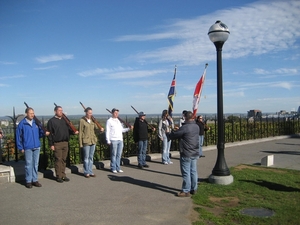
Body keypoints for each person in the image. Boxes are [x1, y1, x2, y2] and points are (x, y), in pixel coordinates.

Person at [166, 111, 199, 197]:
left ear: (185, 117)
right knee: (193, 171)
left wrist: (168, 133)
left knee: (186, 172)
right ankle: (194, 188)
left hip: (186, 152)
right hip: (194, 152)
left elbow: (174, 135)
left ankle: (186, 190)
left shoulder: (185, 127)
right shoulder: (196, 126)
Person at [16, 107, 49, 188]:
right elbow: (18, 137)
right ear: (26, 114)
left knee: (35, 164)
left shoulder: (36, 123)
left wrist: (44, 133)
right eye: (30, 113)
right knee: (28, 164)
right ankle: (28, 180)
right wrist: (20, 147)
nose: (32, 115)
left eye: (33, 113)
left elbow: (40, 134)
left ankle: (35, 180)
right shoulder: (22, 124)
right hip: (27, 147)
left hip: (36, 146)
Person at [47, 106, 78, 183]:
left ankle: (63, 175)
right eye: (59, 110)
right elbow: (49, 134)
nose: (61, 112)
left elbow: (69, 130)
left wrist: (74, 132)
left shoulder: (65, 120)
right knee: (58, 160)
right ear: (55, 111)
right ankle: (58, 176)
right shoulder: (51, 121)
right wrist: (51, 144)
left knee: (64, 160)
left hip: (65, 142)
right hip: (57, 143)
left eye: (62, 110)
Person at [79, 107, 103, 178]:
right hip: (86, 141)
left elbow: (96, 129)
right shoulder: (82, 120)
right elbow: (80, 132)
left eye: (91, 113)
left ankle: (90, 171)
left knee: (91, 157)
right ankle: (86, 172)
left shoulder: (93, 120)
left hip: (93, 140)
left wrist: (100, 129)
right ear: (86, 113)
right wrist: (80, 143)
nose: (90, 114)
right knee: (86, 158)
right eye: (89, 113)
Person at [106, 108, 132, 173]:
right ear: (112, 113)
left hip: (120, 139)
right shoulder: (109, 121)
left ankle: (118, 167)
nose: (117, 114)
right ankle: (113, 167)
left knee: (119, 154)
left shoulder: (118, 121)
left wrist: (128, 129)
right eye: (115, 113)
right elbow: (107, 131)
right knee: (113, 154)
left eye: (117, 113)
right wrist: (108, 140)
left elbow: (122, 130)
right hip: (113, 139)